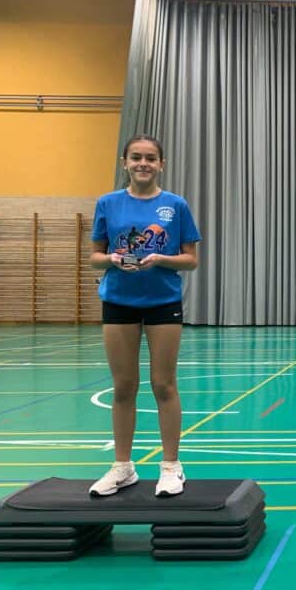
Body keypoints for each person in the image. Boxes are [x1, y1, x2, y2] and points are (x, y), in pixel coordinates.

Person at [88, 135, 201, 497]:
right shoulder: (108, 203)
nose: (143, 163)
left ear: (161, 164)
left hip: (162, 302)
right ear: (125, 162)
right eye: (136, 157)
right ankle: (122, 467)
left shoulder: (176, 205)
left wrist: (160, 259)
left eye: (150, 158)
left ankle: (171, 466)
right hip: (118, 300)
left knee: (163, 384)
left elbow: (191, 260)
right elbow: (95, 256)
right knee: (124, 386)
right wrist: (112, 259)